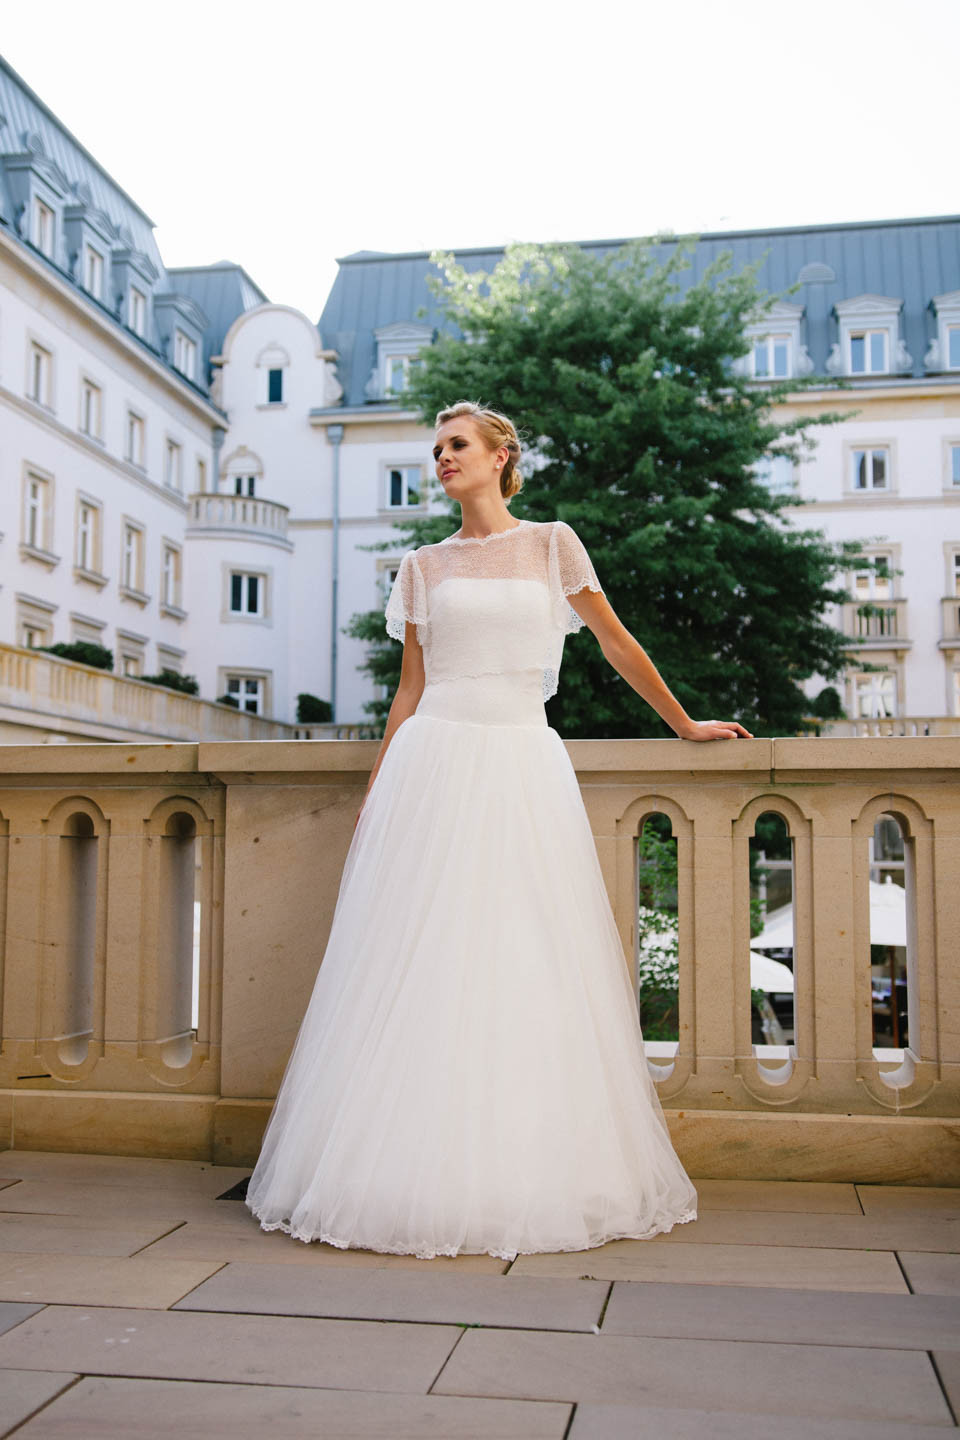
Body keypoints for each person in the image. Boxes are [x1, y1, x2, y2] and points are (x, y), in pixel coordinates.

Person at [245, 399, 752, 1260]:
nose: (442, 458)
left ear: (500, 455)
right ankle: (401, 1173)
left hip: (521, 761)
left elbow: (617, 642)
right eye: (435, 448)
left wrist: (686, 724)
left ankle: (525, 1168)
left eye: (456, 445)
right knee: (424, 962)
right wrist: (377, 790)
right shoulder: (422, 565)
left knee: (527, 956)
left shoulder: (553, 544)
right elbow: (409, 689)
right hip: (433, 764)